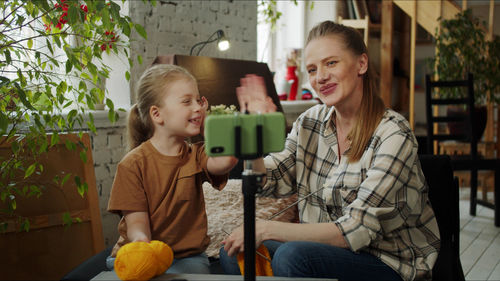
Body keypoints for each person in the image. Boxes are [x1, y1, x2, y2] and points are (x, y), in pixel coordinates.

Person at [219, 21, 440, 281]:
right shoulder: (309, 122)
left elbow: (356, 229)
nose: (320, 77)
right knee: (235, 249)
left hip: (389, 262)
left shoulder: (393, 133)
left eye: (331, 63)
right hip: (323, 252)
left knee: (291, 256)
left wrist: (265, 229)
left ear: (361, 64)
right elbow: (270, 179)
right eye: (312, 69)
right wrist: (253, 135)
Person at [106, 64, 238, 274]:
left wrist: (207, 126)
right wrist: (144, 247)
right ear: (157, 114)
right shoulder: (132, 164)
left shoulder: (197, 154)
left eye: (198, 100)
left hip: (187, 257)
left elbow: (226, 160)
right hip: (141, 252)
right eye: (187, 101)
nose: (197, 107)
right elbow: (137, 222)